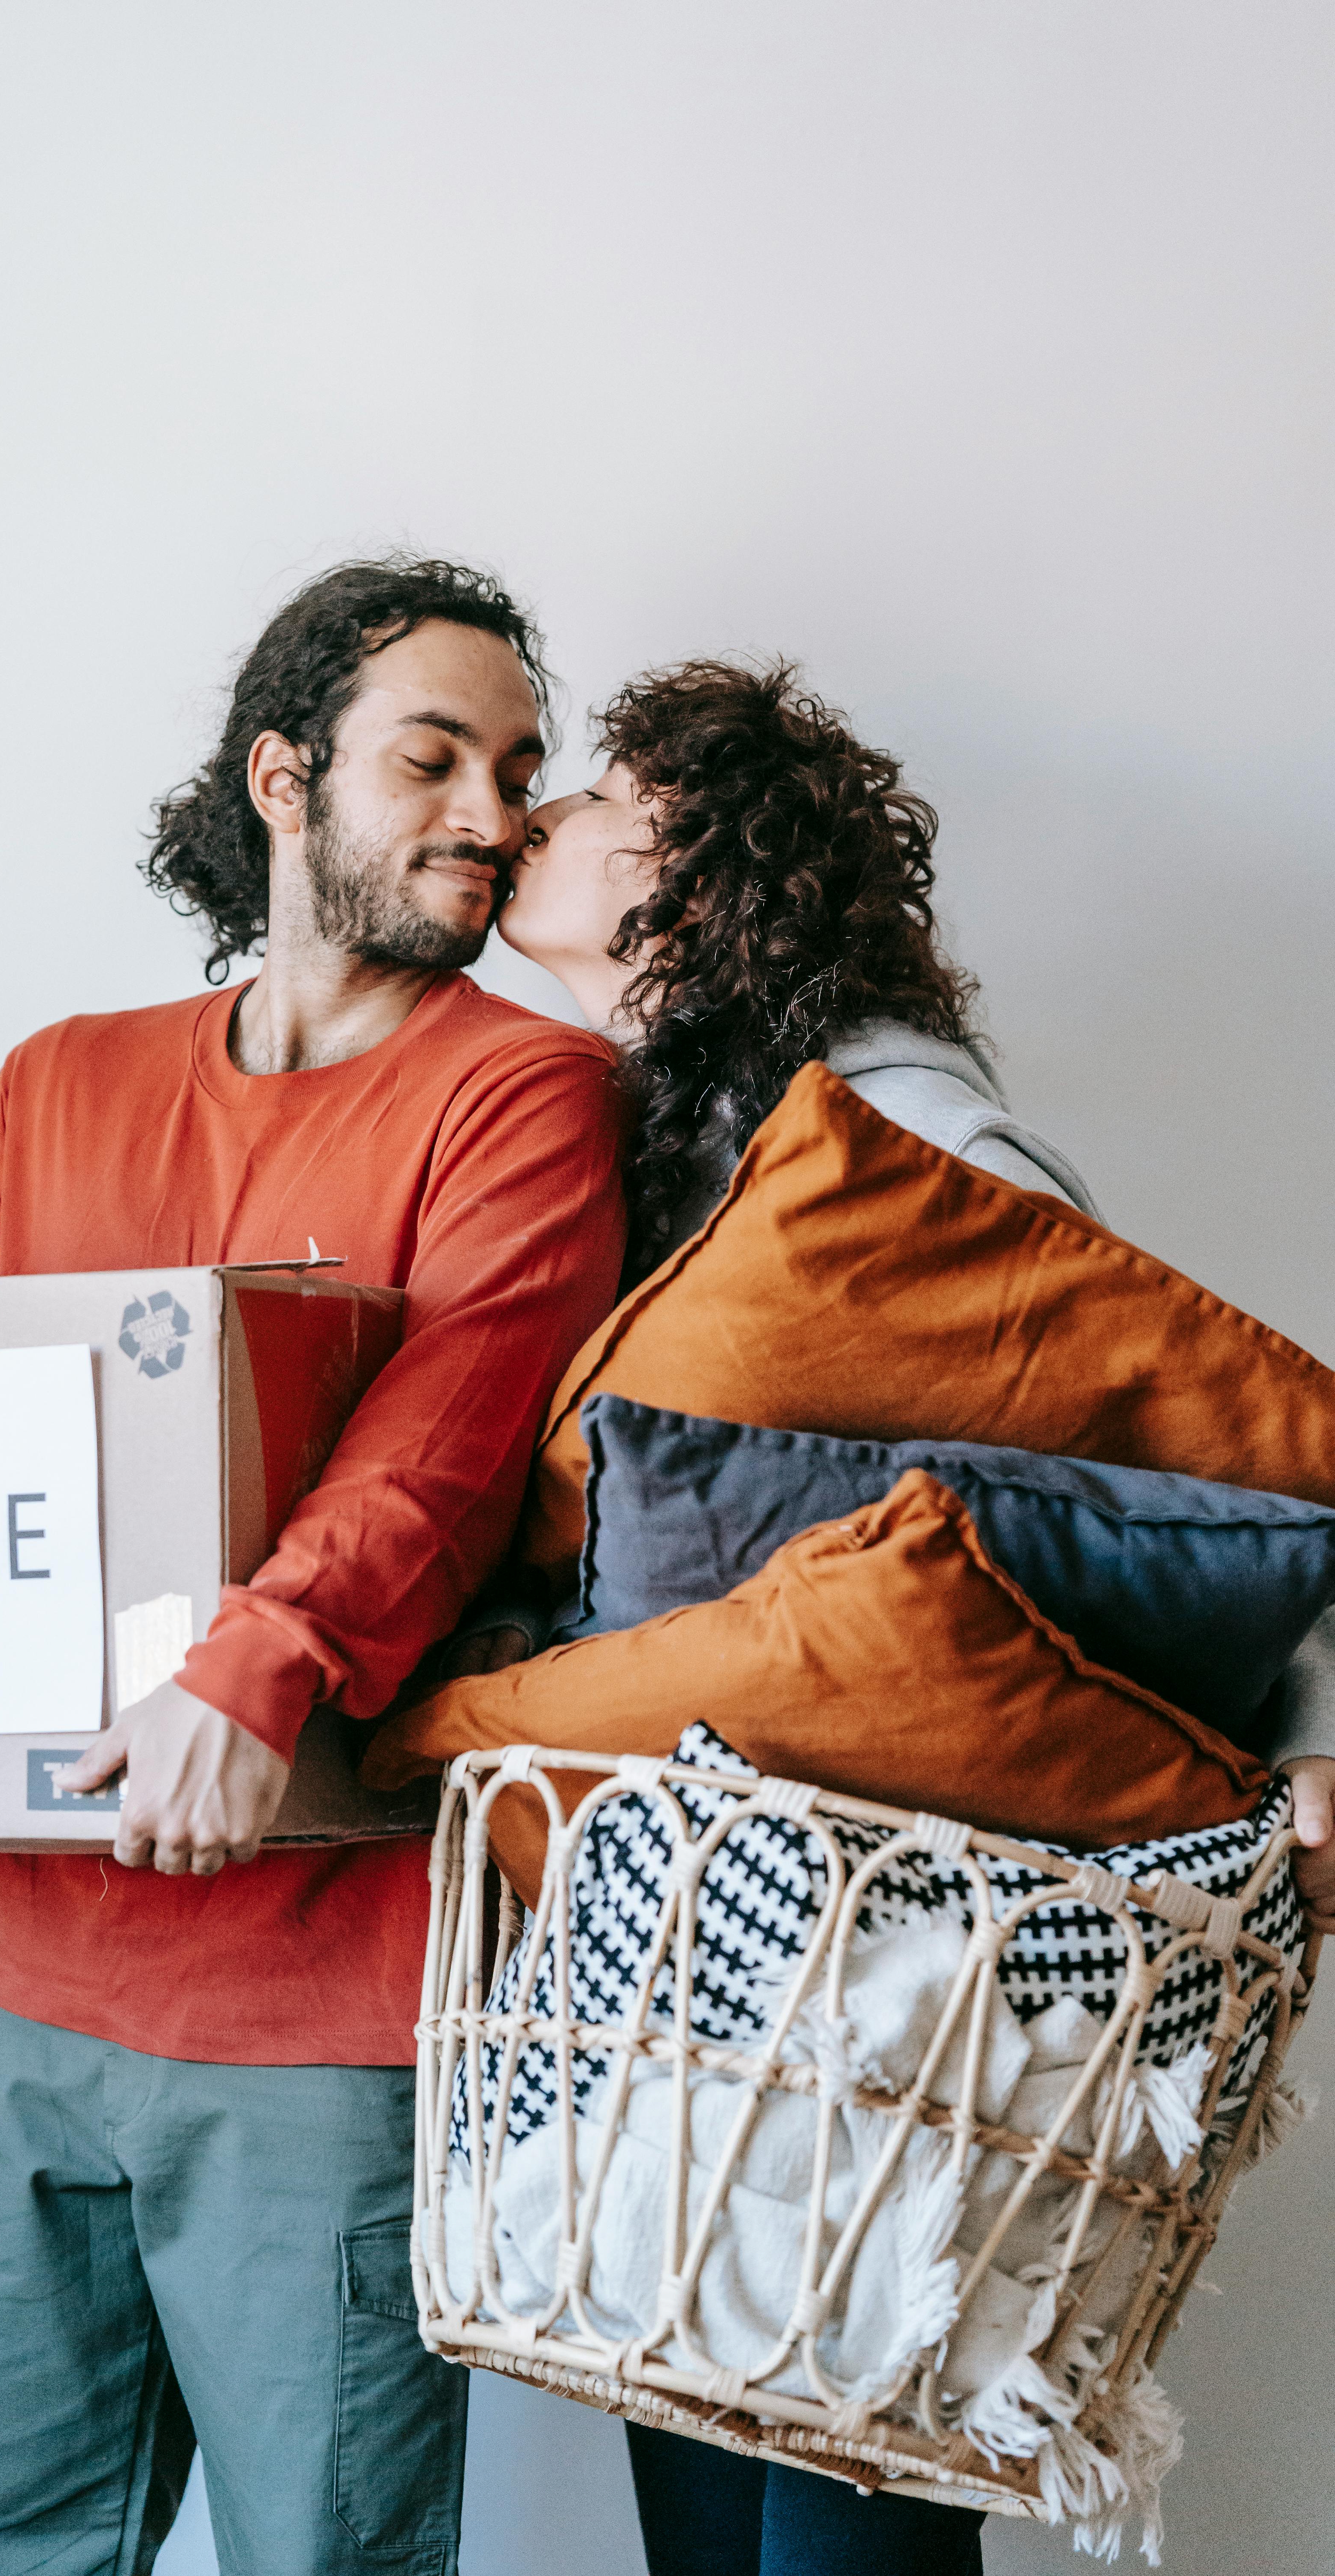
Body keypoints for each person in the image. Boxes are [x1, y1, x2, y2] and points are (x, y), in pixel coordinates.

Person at [0, 556, 630, 2576]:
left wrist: (256, 1662)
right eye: (430, 758)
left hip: (323, 2012)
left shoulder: (531, 1091)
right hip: (30, 1986)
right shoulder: (61, 1078)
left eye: (519, 769)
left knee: (321, 2552)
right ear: (283, 778)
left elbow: (443, 1439)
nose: (494, 815)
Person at [462, 653, 1335, 2576]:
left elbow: (1187, 1483)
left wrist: (1310, 1750)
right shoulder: (654, 1140)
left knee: (831, 2510)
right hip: (720, 1975)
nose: (554, 812)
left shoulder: (907, 1139)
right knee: (723, 2497)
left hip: (891, 1987)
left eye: (610, 787)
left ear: (701, 870)